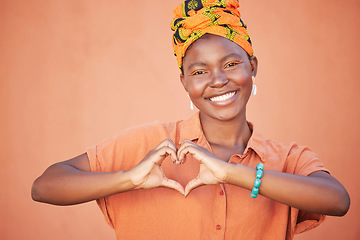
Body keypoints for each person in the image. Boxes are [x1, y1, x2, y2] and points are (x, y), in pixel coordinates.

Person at [31, 0, 350, 239]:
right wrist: (129, 178)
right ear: (184, 82)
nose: (218, 80)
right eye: (199, 71)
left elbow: (337, 200)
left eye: (230, 64)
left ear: (252, 66)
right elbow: (45, 187)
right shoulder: (146, 145)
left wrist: (234, 174)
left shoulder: (288, 160)